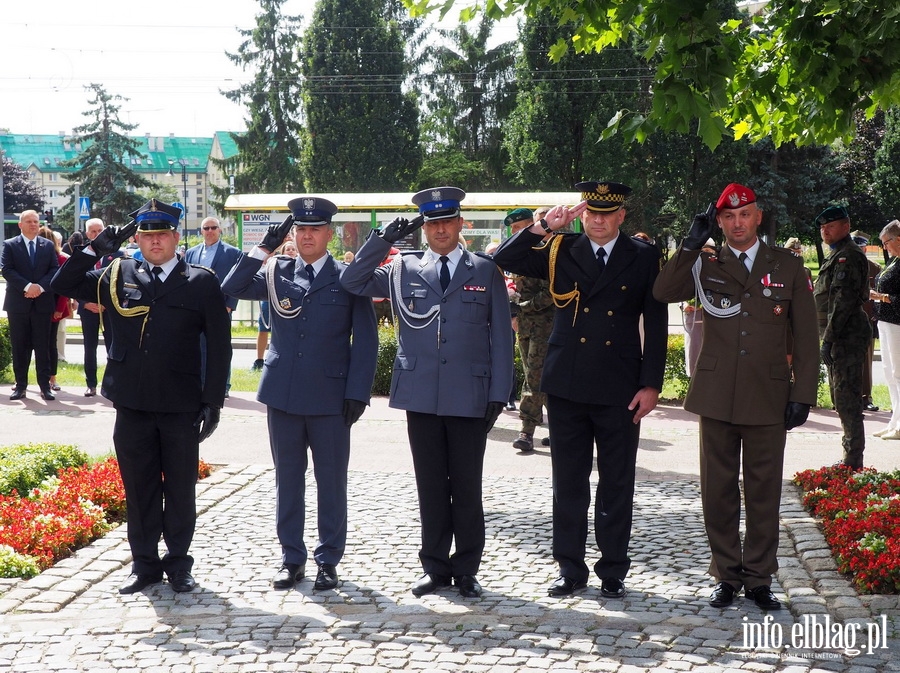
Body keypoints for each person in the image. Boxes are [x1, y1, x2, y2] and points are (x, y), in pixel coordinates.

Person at [493, 181, 667, 599]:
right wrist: (542, 225)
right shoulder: (560, 248)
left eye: (608, 213)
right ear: (582, 214)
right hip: (568, 383)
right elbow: (504, 258)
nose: (599, 220)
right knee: (568, 482)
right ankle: (570, 568)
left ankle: (612, 570)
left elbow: (657, 324)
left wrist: (651, 384)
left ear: (622, 215)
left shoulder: (642, 256)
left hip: (620, 385)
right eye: (592, 212)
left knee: (616, 481)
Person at [51, 199, 232, 595]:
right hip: (132, 401)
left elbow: (220, 347)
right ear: (136, 237)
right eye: (147, 235)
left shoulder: (200, 281)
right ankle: (144, 564)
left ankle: (179, 564)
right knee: (139, 487)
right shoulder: (117, 273)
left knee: (181, 488)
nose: (155, 242)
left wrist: (213, 401)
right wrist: (95, 249)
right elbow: (61, 284)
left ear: (176, 237)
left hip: (181, 403)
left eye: (162, 234)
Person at [654, 183, 819, 610]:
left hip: (768, 395)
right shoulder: (706, 263)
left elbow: (805, 336)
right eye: (727, 217)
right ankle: (726, 575)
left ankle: (759, 577)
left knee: (764, 490)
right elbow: (663, 291)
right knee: (718, 489)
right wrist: (691, 244)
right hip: (716, 394)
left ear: (758, 217)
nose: (737, 223)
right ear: (720, 221)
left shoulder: (786, 265)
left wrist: (802, 392)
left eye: (744, 214)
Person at [341, 186, 512, 598]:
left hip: (470, 395)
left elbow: (502, 338)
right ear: (424, 228)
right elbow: (352, 280)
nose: (440, 230)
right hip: (421, 393)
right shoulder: (404, 268)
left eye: (447, 221)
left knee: (467, 486)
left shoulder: (484, 270)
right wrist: (382, 239)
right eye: (432, 223)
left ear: (459, 224)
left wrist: (499, 393)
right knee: (431, 484)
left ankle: (467, 568)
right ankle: (435, 567)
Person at [221, 197, 377, 592]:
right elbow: (231, 288)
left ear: (329, 233)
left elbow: (366, 341)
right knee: (287, 481)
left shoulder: (348, 276)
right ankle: (292, 559)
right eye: (301, 229)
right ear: (294, 234)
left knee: (331, 481)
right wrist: (262, 250)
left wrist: (358, 391)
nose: (307, 235)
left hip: (331, 396)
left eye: (315, 229)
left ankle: (328, 560)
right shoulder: (277, 272)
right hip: (284, 394)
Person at [814, 205, 872, 469]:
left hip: (845, 336)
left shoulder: (847, 256)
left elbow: (843, 302)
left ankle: (853, 459)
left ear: (846, 226)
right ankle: (851, 455)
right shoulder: (836, 254)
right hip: (838, 336)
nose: (825, 230)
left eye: (831, 225)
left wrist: (828, 339)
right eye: (822, 227)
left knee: (847, 398)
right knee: (841, 397)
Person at [502, 208, 556, 453]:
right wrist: (515, 312)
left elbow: (552, 292)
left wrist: (522, 307)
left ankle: (527, 431)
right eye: (512, 229)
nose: (515, 232)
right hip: (525, 324)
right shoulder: (521, 252)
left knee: (535, 378)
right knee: (535, 375)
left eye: (519, 226)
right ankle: (557, 430)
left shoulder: (547, 250)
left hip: (545, 324)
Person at [2, 210, 60, 401]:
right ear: (20, 224)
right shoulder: (10, 245)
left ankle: (45, 387)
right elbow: (7, 269)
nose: (33, 224)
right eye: (29, 221)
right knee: (20, 347)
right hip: (18, 304)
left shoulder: (47, 245)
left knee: (43, 346)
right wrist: (28, 287)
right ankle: (21, 387)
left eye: (36, 221)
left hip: (42, 304)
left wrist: (40, 288)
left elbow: (54, 269)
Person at [185, 216, 241, 398]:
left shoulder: (233, 253)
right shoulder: (191, 253)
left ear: (220, 230)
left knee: (221, 346)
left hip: (221, 307)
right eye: (206, 228)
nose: (209, 231)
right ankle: (200, 383)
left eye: (213, 228)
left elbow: (237, 281)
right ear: (201, 231)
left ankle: (223, 385)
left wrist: (230, 305)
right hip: (195, 307)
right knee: (197, 346)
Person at [78, 218, 125, 397]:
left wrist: (107, 302)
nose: (96, 235)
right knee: (89, 348)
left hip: (110, 309)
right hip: (88, 309)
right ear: (87, 234)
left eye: (100, 231)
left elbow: (122, 282)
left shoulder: (118, 255)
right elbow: (73, 281)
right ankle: (91, 384)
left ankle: (114, 384)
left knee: (113, 346)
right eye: (92, 232)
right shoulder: (81, 255)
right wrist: (84, 302)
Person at [873, 220, 900, 439]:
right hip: (885, 321)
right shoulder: (893, 261)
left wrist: (882, 297)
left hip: (897, 323)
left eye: (886, 242)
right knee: (889, 373)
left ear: (898, 239)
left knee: (899, 373)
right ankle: (894, 421)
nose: (884, 247)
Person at [851, 230, 881, 412]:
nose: (858, 250)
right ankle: (848, 398)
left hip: (866, 321)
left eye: (860, 247)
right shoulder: (842, 264)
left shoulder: (875, 268)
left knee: (866, 361)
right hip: (845, 322)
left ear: (864, 248)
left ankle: (865, 397)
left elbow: (878, 294)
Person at [38, 226, 72, 392]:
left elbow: (64, 289)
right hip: (36, 307)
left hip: (53, 308)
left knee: (50, 343)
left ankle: (52, 378)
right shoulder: (37, 258)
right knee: (37, 343)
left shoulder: (61, 259)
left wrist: (59, 309)